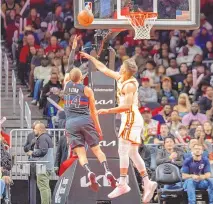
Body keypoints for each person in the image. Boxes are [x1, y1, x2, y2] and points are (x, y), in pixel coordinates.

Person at [80, 52, 157, 202]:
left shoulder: (129, 85)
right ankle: (147, 182)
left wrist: (107, 110)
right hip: (131, 119)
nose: (120, 67)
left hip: (130, 118)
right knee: (133, 153)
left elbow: (127, 106)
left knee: (122, 149)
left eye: (122, 66)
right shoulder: (122, 77)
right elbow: (104, 69)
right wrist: (91, 58)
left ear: (125, 70)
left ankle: (122, 183)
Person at [63, 68, 116, 192]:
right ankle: (107, 171)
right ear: (81, 77)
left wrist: (73, 49)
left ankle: (89, 172)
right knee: (97, 150)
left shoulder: (66, 85)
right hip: (85, 120)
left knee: (81, 154)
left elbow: (69, 66)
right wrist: (98, 128)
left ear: (70, 77)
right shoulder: (87, 90)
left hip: (71, 123)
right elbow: (93, 112)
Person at [27, 122, 54, 204]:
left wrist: (32, 153)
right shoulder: (47, 137)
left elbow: (43, 151)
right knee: (46, 187)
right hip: (47, 165)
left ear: (40, 129)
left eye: (35, 129)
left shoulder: (42, 138)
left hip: (43, 166)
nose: (34, 131)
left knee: (43, 187)